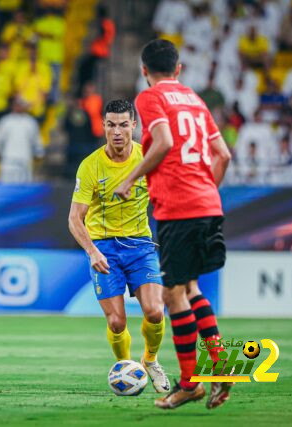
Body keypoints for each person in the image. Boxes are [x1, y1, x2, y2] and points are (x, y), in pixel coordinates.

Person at [115, 39, 232, 410]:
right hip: (208, 204)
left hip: (179, 208)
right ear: (178, 69)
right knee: (192, 288)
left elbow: (163, 141)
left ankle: (189, 384)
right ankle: (220, 366)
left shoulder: (150, 97)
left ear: (144, 70)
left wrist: (131, 177)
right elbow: (223, 155)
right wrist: (205, 192)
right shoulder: (196, 100)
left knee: (172, 296)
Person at [68, 99, 170, 395]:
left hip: (140, 245)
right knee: (116, 321)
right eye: (111, 124)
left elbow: (165, 199)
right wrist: (92, 251)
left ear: (134, 126)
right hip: (104, 248)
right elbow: (75, 218)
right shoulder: (90, 166)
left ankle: (150, 360)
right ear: (103, 126)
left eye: (123, 124)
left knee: (154, 311)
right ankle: (126, 369)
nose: (117, 131)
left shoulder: (147, 159)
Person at [0, 97, 44, 183]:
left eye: (20, 105)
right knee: (6, 184)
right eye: (16, 105)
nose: (18, 107)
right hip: (8, 159)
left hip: (25, 158)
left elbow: (36, 140)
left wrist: (39, 152)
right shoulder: (5, 121)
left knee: (24, 185)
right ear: (12, 106)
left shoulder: (30, 122)